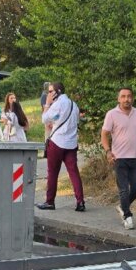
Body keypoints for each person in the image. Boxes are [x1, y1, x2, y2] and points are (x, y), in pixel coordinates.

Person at [102, 87, 136, 229]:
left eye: (129, 96)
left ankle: (122, 206)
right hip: (119, 158)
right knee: (123, 190)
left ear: (133, 98)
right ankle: (127, 216)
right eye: (123, 96)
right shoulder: (111, 114)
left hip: (135, 158)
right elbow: (104, 134)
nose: (126, 99)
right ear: (118, 99)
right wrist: (108, 152)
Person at [36, 82, 85, 211]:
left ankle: (50, 202)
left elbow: (44, 119)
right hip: (71, 143)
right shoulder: (74, 105)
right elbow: (73, 122)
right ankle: (80, 201)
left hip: (57, 143)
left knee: (52, 173)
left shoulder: (57, 104)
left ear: (57, 92)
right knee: (74, 172)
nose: (49, 94)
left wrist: (47, 104)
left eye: (51, 91)